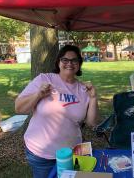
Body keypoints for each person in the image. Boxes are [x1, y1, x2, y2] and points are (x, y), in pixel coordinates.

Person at [15, 45, 99, 178]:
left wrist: (93, 98)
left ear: (79, 64)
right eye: (65, 60)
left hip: (71, 152)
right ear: (58, 62)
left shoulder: (83, 89)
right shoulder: (44, 79)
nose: (69, 63)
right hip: (42, 153)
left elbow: (92, 122)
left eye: (74, 60)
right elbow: (19, 108)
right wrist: (38, 95)